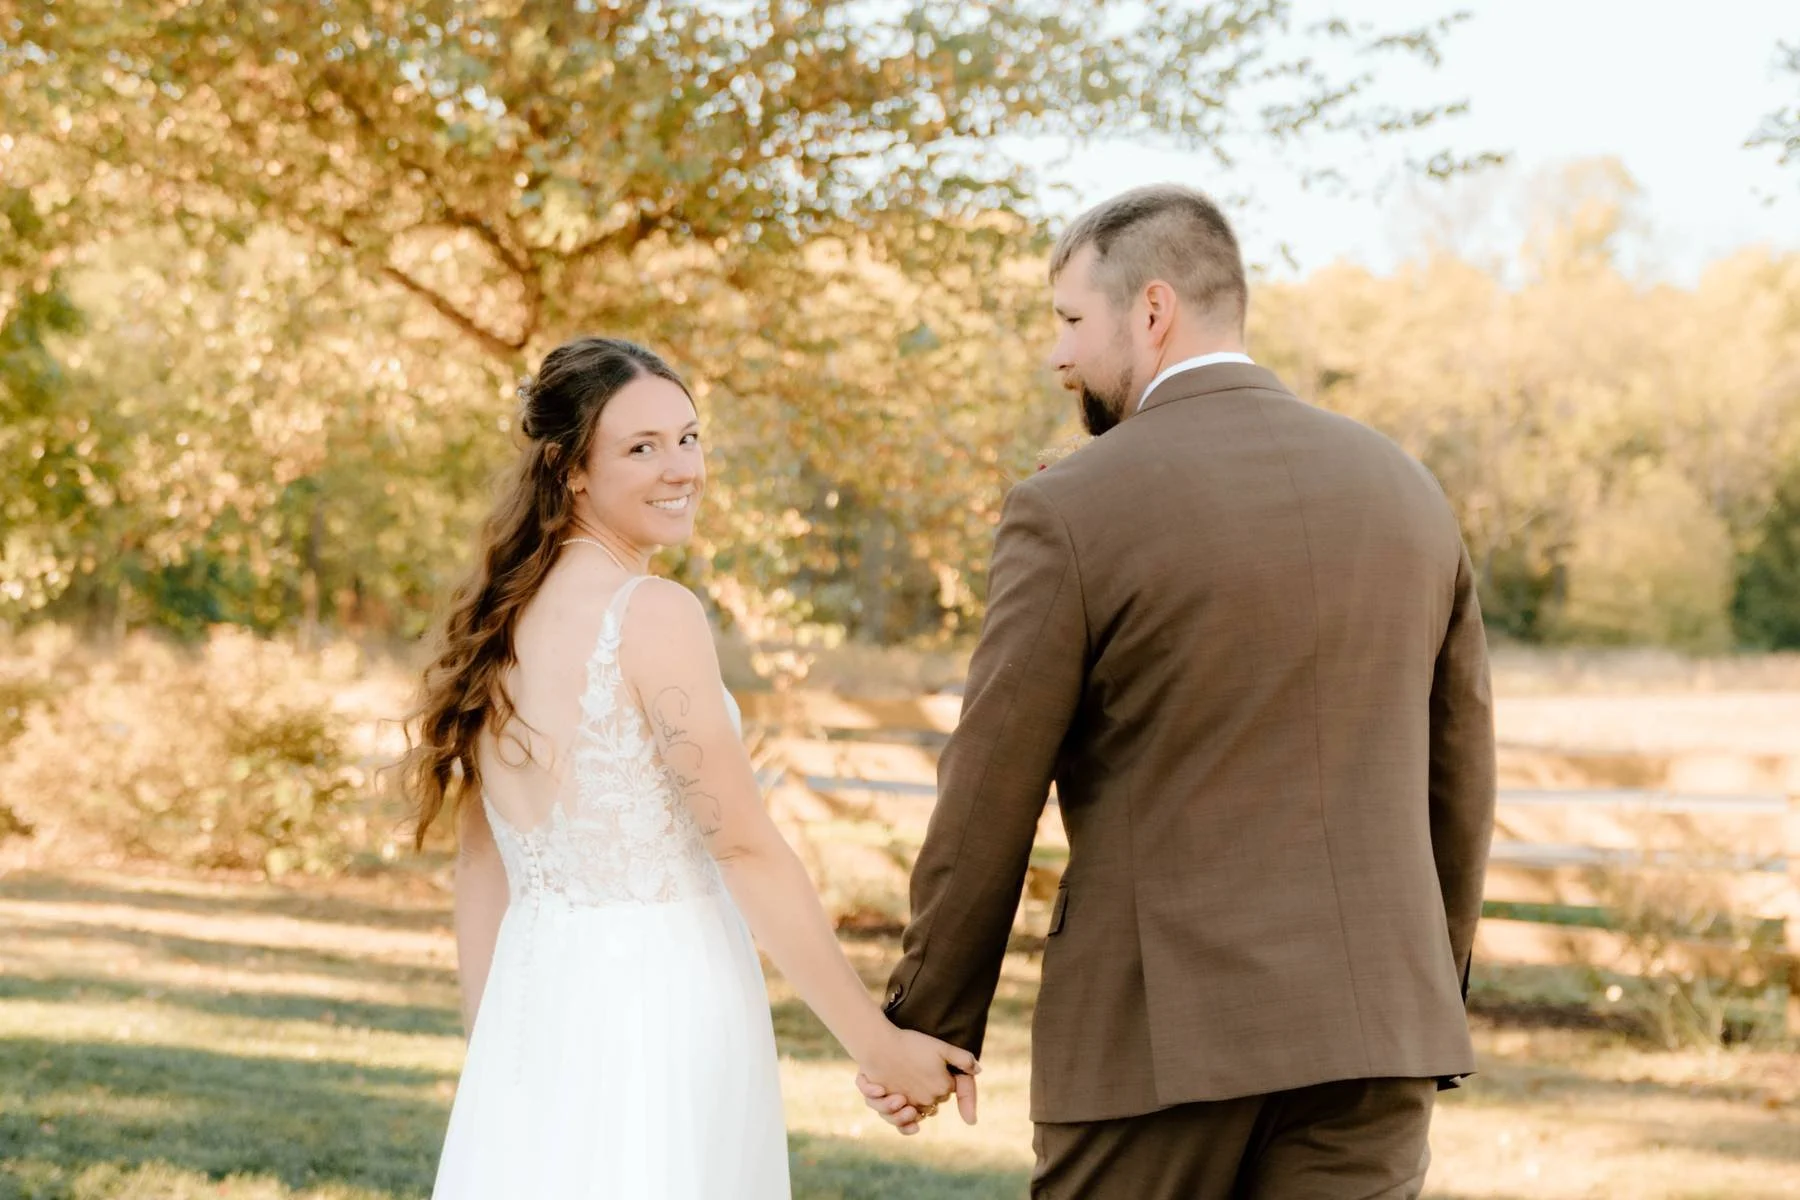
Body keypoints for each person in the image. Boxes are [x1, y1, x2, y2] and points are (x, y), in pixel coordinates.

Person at [860, 185, 1497, 1199]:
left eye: (1070, 321)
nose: (1058, 356)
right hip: (1380, 1033)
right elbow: (1458, 777)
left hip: (1159, 1041)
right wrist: (1425, 985)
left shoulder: (1070, 507)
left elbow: (989, 791)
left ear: (1151, 311)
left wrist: (928, 1019)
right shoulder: (1409, 492)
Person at [401, 336, 976, 1198]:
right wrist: (878, 1044)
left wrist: (499, 1057)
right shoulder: (652, 613)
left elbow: (482, 863)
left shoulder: (500, 621)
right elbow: (743, 849)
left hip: (532, 1006)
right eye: (643, 447)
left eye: (690, 437)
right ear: (574, 472)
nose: (683, 469)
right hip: (658, 1003)